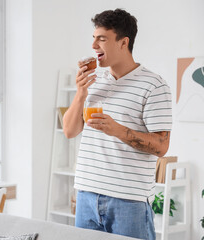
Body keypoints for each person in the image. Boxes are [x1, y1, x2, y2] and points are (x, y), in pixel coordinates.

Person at [63, 9, 172, 240]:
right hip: (86, 195)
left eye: (102, 39)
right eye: (93, 38)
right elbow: (69, 130)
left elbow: (162, 146)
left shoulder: (154, 85)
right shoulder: (93, 81)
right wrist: (81, 93)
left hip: (129, 201)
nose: (94, 45)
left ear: (124, 42)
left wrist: (118, 130)